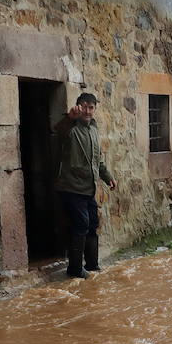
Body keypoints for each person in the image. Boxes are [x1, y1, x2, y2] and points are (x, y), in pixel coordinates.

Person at [54, 92, 116, 278]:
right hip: (72, 187)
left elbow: (97, 160)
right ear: (78, 107)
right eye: (85, 107)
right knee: (81, 224)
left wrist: (107, 177)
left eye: (91, 107)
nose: (88, 111)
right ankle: (74, 269)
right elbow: (59, 130)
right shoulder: (71, 128)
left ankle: (92, 265)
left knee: (93, 224)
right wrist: (70, 118)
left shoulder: (93, 130)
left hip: (89, 188)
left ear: (94, 109)